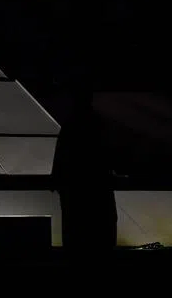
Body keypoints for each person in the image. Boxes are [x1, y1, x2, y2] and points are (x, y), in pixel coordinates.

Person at [52, 86, 117, 255]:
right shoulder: (98, 125)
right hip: (97, 189)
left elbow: (61, 156)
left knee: (76, 234)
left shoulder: (71, 126)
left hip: (76, 191)